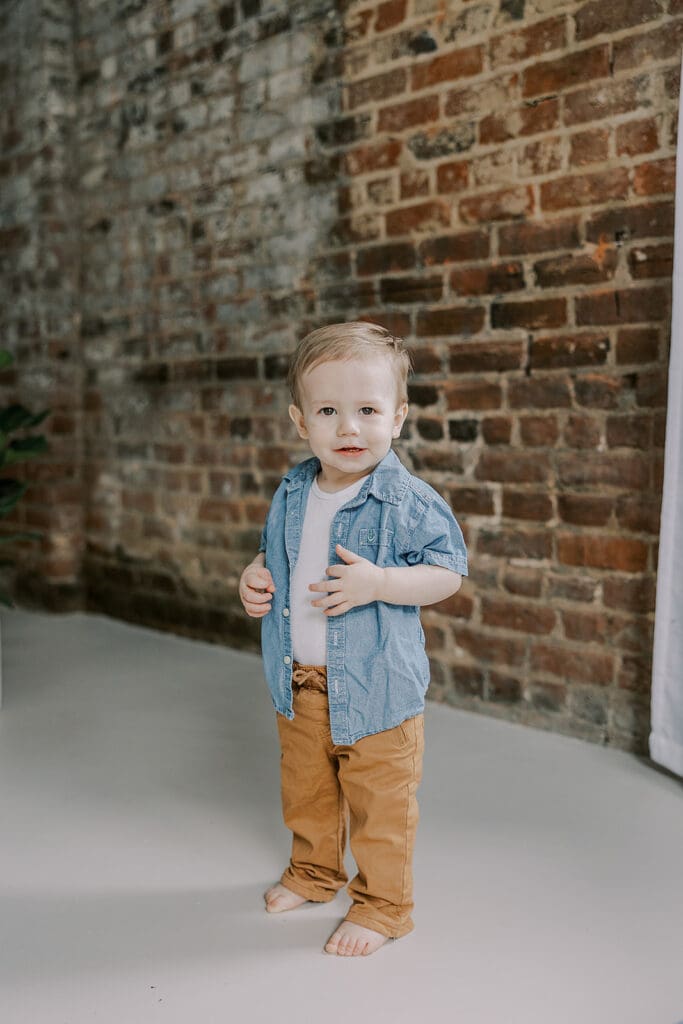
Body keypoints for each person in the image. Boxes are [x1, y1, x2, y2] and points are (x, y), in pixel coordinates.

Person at [238, 321, 468, 957]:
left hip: (376, 689)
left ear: (397, 417)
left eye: (367, 410)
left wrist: (380, 583)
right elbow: (273, 556)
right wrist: (254, 577)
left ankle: (384, 907)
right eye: (328, 411)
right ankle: (314, 874)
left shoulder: (407, 500)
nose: (348, 428)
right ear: (299, 420)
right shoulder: (292, 491)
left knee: (380, 806)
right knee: (308, 793)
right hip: (300, 683)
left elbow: (447, 573)